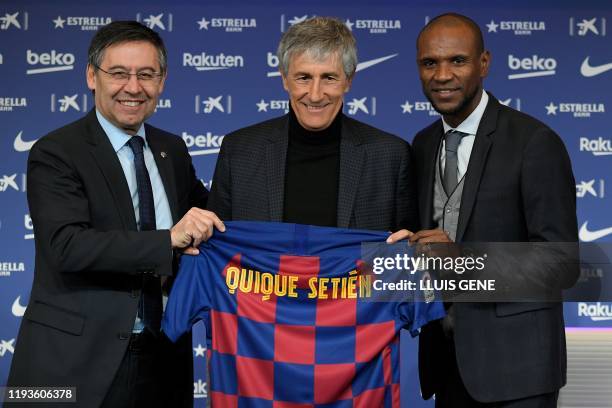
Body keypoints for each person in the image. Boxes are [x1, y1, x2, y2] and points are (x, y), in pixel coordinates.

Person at [7, 21, 223, 408]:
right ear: (92, 76)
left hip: (164, 358)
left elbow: (213, 219)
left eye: (147, 74)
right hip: (74, 362)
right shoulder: (56, 151)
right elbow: (67, 246)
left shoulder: (171, 150)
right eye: (119, 73)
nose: (134, 87)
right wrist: (167, 240)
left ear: (162, 80)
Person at [388, 13, 578, 408]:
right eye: (430, 63)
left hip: (519, 371)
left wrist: (461, 261)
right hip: (447, 365)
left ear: (484, 64)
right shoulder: (423, 144)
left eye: (457, 61)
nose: (442, 75)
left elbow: (561, 263)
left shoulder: (534, 142)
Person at [208, 16, 417, 232]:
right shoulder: (239, 151)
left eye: (329, 78)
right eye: (304, 78)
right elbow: (215, 249)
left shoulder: (391, 156)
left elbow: (408, 252)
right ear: (284, 79)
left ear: (349, 80)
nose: (315, 95)